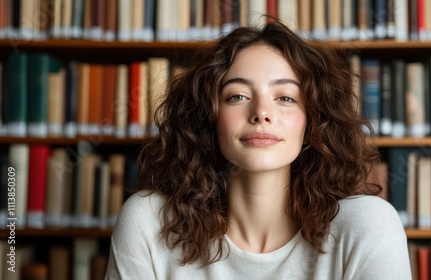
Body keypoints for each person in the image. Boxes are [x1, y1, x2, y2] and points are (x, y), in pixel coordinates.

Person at [105, 21, 412, 279]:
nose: (261, 113)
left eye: (286, 98)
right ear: (208, 118)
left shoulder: (368, 225)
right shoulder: (147, 222)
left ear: (312, 121)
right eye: (237, 96)